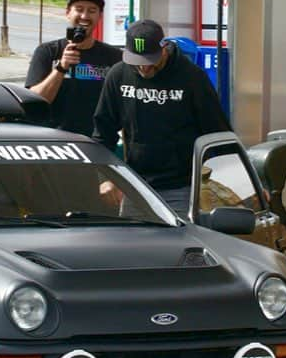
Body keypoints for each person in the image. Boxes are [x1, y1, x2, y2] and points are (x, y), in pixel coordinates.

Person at [93, 19, 231, 215]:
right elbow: (103, 132)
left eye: (150, 61)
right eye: (138, 62)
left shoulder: (191, 77)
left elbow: (218, 132)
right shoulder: (118, 75)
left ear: (164, 48)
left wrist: (242, 183)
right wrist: (105, 177)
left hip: (180, 188)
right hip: (135, 185)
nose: (144, 68)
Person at [24, 0, 122, 137]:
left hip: (97, 141)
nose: (84, 16)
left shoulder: (114, 57)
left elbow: (123, 105)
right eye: (79, 9)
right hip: (54, 140)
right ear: (68, 13)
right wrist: (61, 69)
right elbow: (36, 103)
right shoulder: (47, 51)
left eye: (92, 10)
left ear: (100, 16)